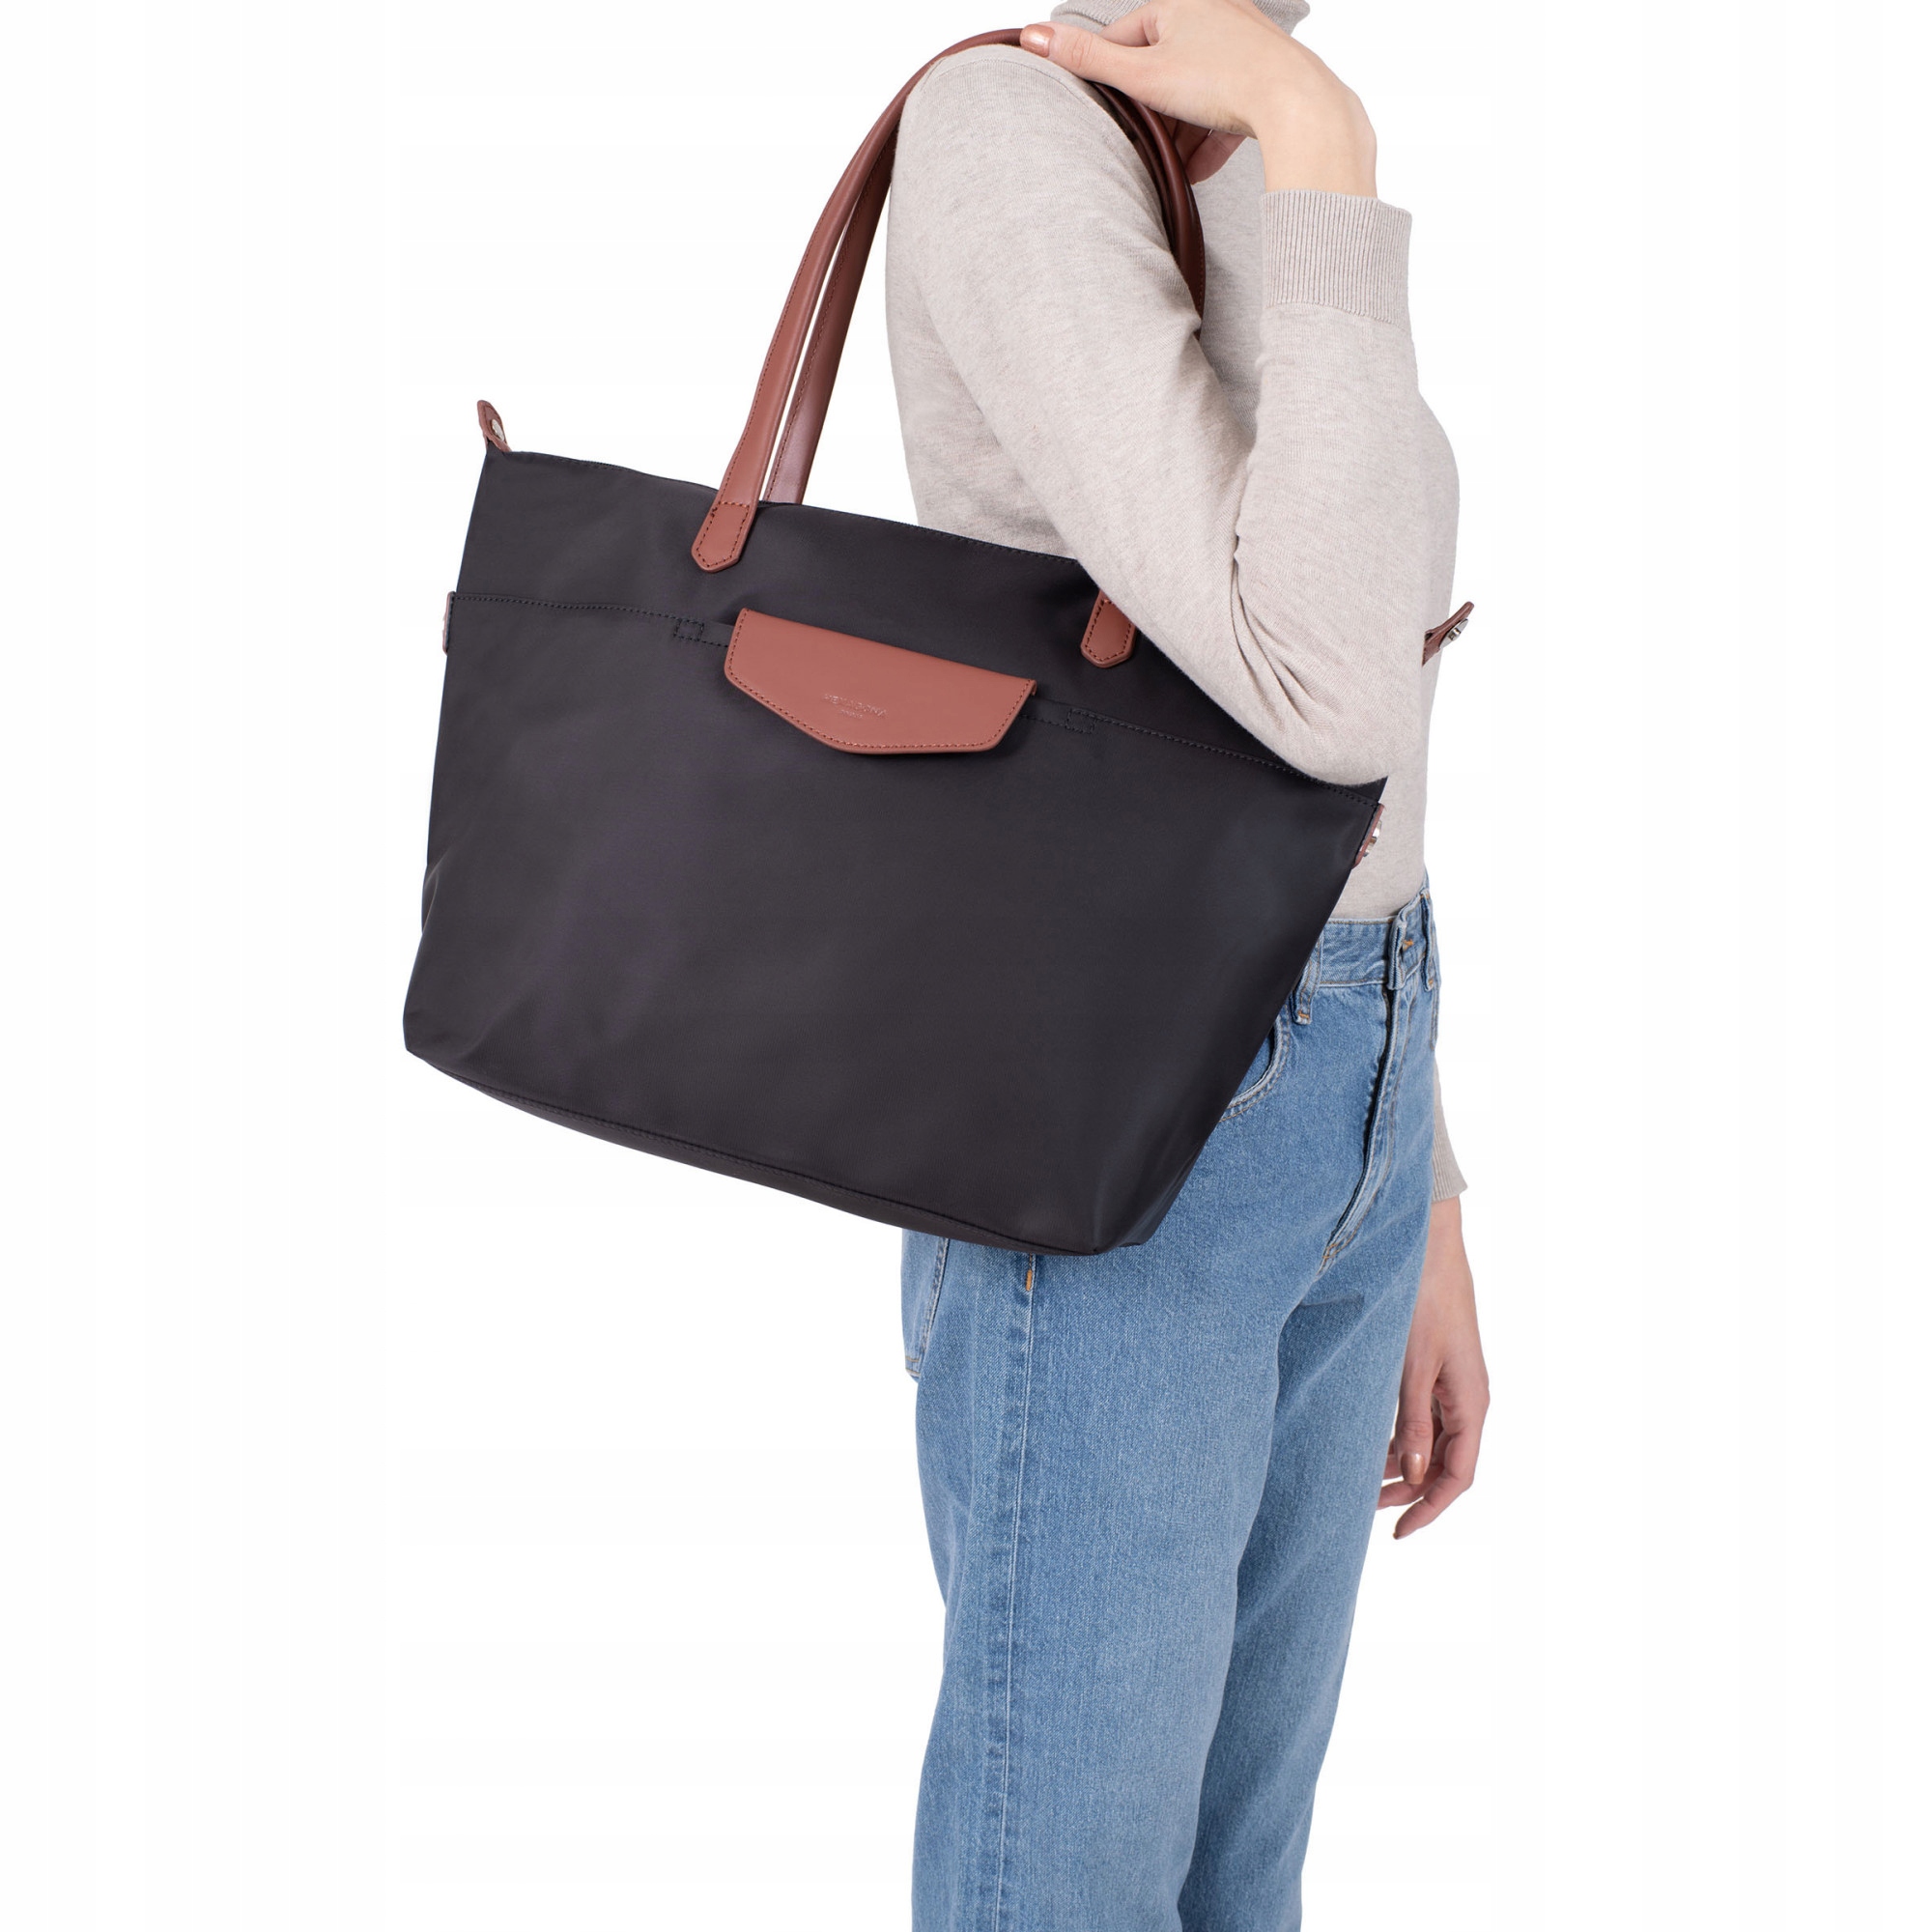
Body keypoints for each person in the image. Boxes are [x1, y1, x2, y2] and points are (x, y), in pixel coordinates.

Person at [884, 3, 1489, 1924]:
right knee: (1068, 1883)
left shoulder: (1224, 130)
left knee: (1240, 1885)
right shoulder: (1021, 128)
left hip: (1343, 1083)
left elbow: (1370, 731)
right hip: (1128, 1104)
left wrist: (1416, 1184)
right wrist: (1319, 129)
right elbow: (1328, 689)